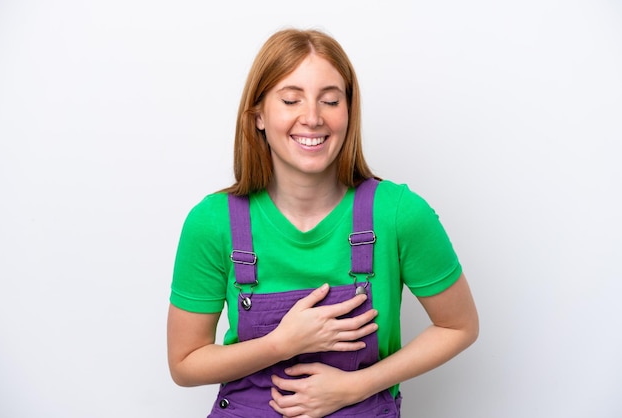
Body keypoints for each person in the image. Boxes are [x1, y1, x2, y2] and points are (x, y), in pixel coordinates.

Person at [167, 28, 478, 418]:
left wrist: (355, 387)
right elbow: (184, 363)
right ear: (259, 115)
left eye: (330, 100)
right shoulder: (212, 222)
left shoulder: (398, 213)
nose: (312, 118)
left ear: (348, 111)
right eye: (291, 99)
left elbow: (458, 326)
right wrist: (281, 344)